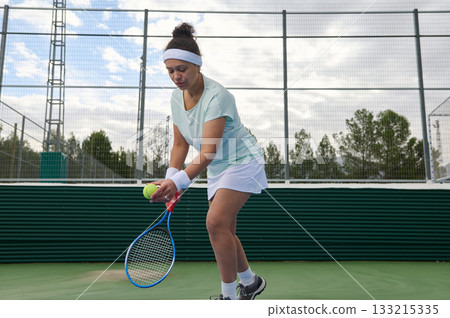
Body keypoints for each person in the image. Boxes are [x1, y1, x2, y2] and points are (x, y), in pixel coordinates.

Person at [150, 22, 268, 300]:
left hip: (243, 161)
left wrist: (177, 182)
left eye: (182, 69)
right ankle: (250, 283)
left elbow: (208, 151)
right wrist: (171, 177)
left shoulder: (218, 96)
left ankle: (229, 297)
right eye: (170, 71)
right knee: (224, 230)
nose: (176, 76)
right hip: (217, 169)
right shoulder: (176, 99)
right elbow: (180, 144)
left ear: (197, 66)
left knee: (215, 224)